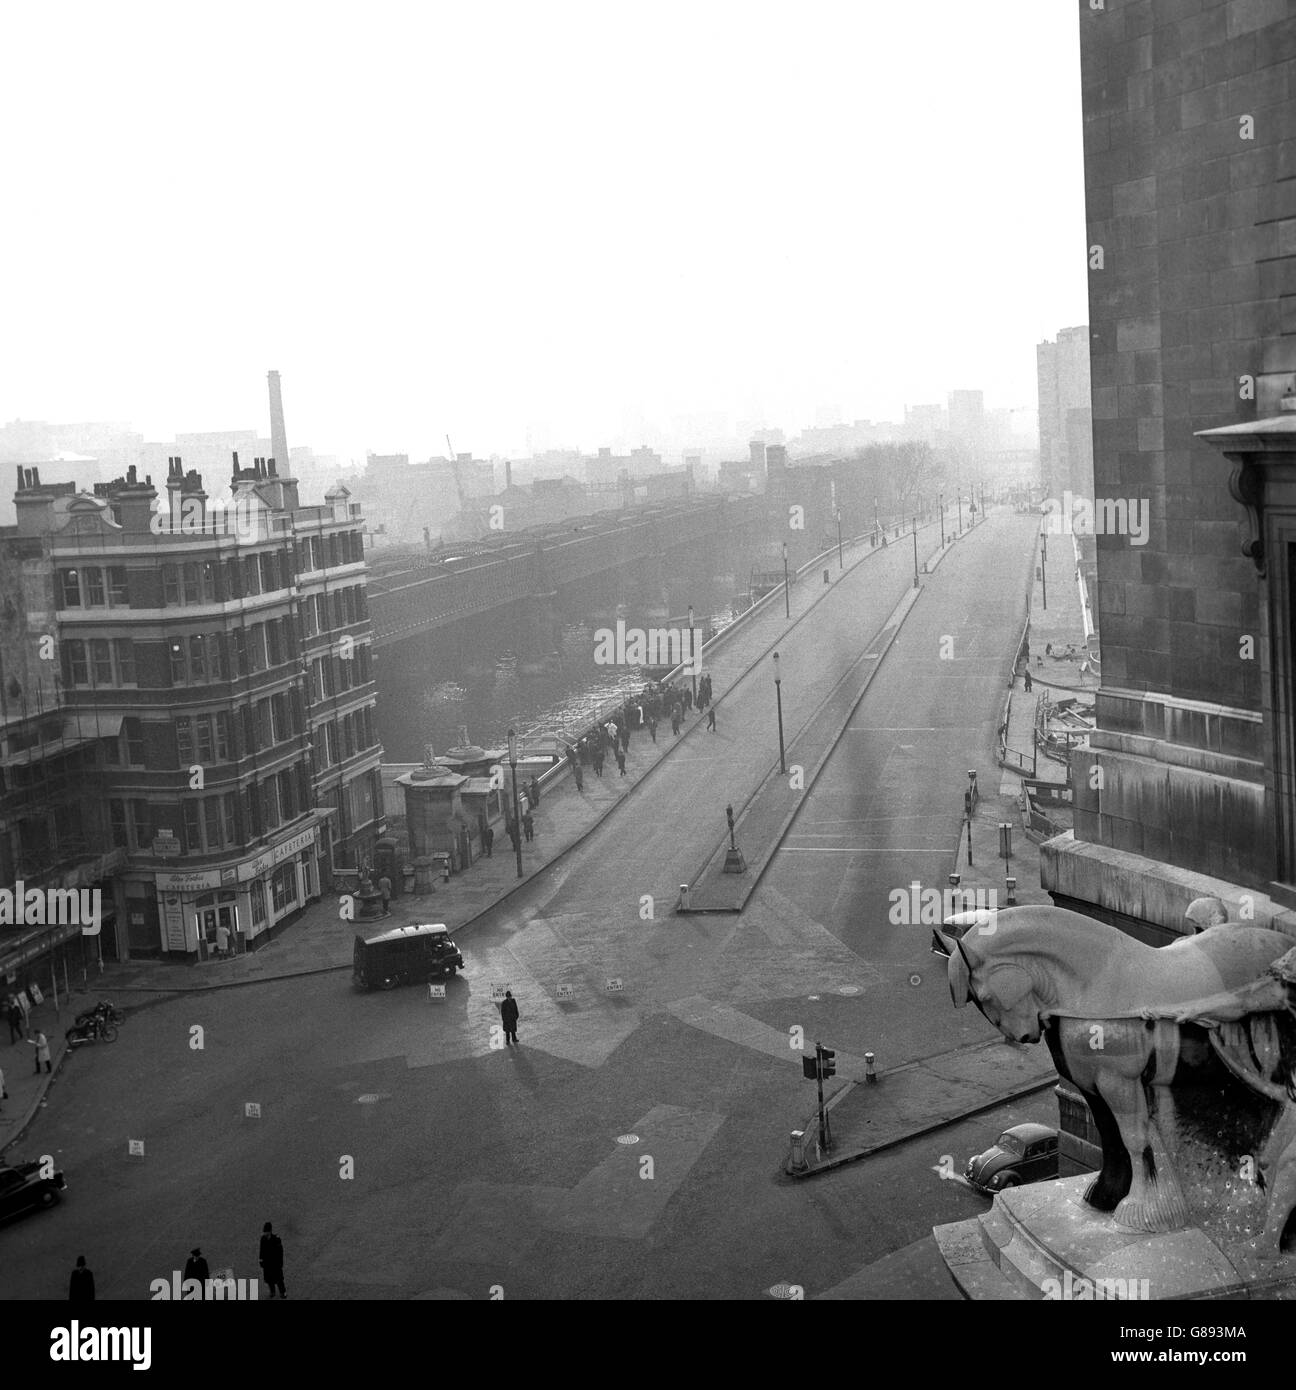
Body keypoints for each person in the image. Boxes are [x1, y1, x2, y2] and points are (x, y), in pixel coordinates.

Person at [260, 1222, 286, 1299]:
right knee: (269, 1279)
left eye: (266, 1231)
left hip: (275, 1263)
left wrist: (280, 1263)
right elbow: (261, 1250)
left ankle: (283, 1292)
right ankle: (272, 1291)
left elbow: (280, 1252)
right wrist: (261, 1260)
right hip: (267, 1263)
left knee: (279, 1279)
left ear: (270, 1231)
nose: (265, 1233)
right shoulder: (263, 1239)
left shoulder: (276, 1239)